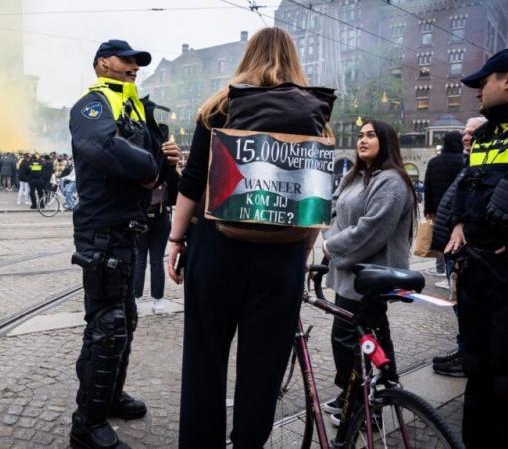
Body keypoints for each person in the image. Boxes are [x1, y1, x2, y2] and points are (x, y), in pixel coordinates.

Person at [167, 28, 332, 448]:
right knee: (264, 367)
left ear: (248, 56)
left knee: (204, 358)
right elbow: (313, 194)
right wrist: (302, 249)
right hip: (283, 258)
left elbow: (191, 182)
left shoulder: (220, 106)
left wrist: (175, 240)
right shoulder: (316, 112)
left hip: (218, 248)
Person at [68, 39, 179, 449]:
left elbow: (156, 166)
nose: (134, 66)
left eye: (138, 62)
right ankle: (87, 424)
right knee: (107, 326)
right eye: (126, 60)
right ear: (103, 63)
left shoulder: (136, 107)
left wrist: (167, 156)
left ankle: (109, 396)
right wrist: (152, 166)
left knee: (123, 319)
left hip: (129, 227)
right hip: (102, 229)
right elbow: (101, 146)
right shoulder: (93, 104)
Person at [321, 120, 416, 426]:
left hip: (371, 276)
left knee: (349, 338)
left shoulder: (391, 182)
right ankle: (363, 392)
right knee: (369, 335)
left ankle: (364, 408)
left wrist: (330, 247)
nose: (362, 140)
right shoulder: (355, 177)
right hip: (351, 274)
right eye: (360, 135)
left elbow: (372, 229)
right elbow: (335, 212)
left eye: (371, 135)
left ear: (386, 141)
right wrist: (333, 242)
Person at [444, 49, 508, 449]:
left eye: (484, 82)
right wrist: (459, 221)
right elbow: (469, 185)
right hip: (476, 275)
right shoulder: (483, 135)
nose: (477, 91)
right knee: (477, 367)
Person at [422, 132, 467, 376]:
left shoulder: (435, 162)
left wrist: (430, 210)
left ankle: (444, 269)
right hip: (458, 220)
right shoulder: (463, 161)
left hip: (441, 217)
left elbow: (428, 186)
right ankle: (450, 277)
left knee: (444, 249)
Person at [133, 172, 178, 312]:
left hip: (141, 219)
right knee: (157, 261)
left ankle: (136, 299)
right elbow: (175, 197)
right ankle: (158, 301)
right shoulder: (167, 171)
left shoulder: (139, 167)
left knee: (139, 259)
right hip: (161, 219)